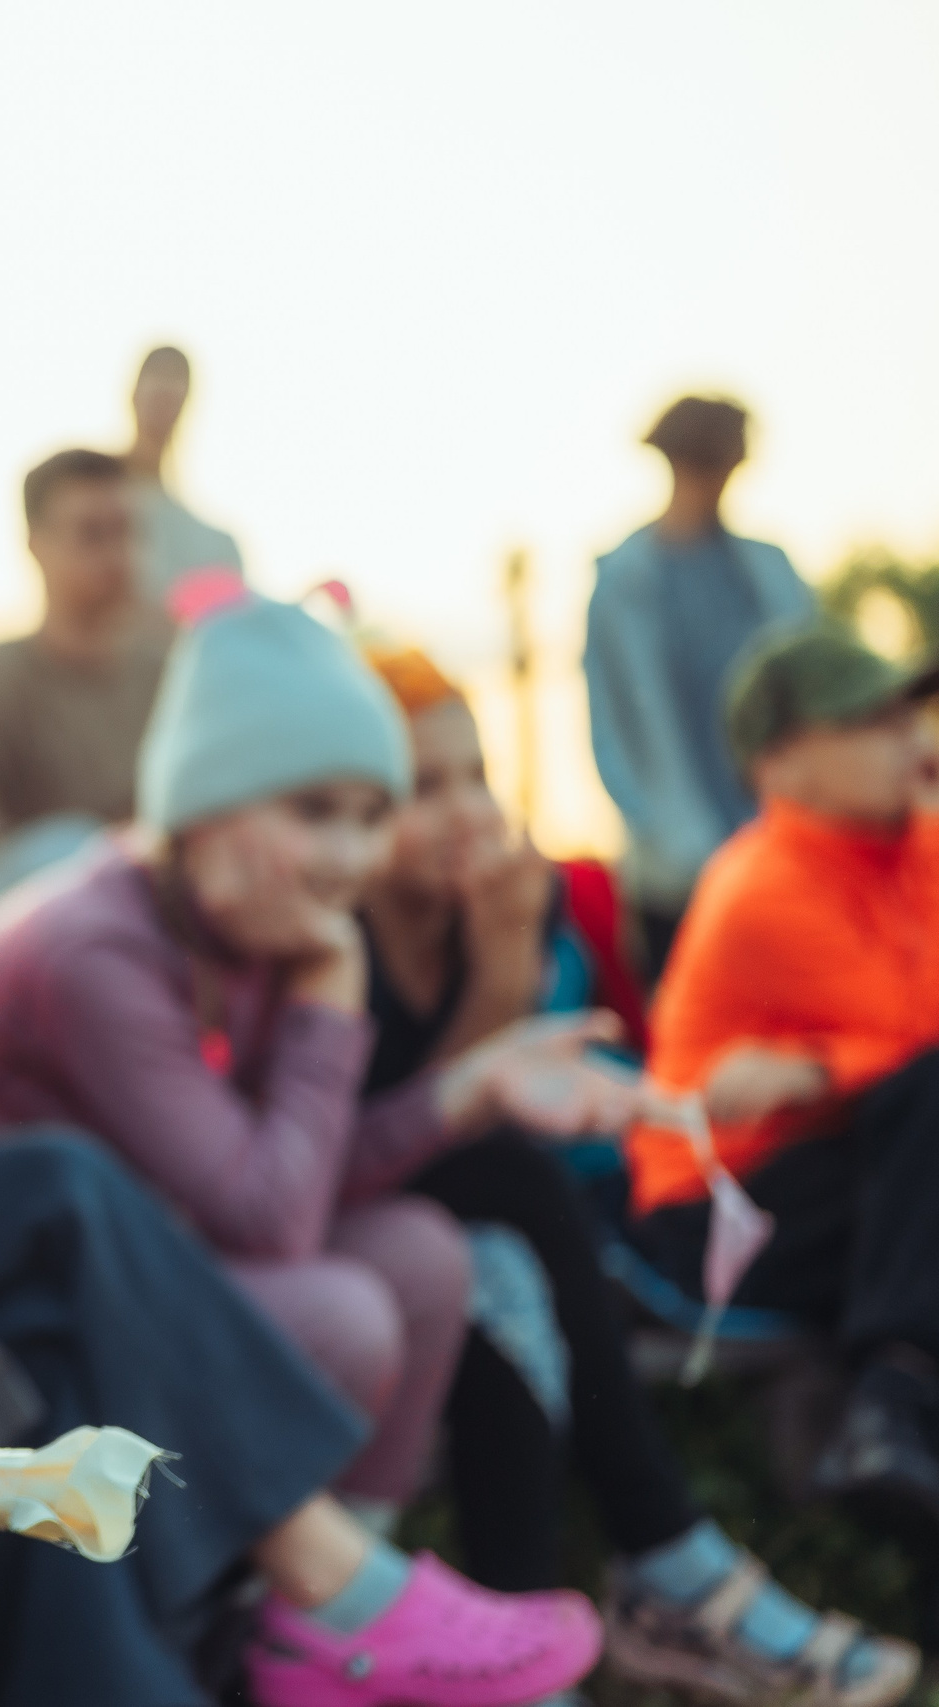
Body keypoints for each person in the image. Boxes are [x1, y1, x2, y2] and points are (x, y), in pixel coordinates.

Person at [0, 568, 602, 1707]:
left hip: (0, 1267)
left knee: (87, 1375)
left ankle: (289, 1635)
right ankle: (324, 1584)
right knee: (78, 1189)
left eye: (365, 813)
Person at [358, 642, 918, 1706]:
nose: (463, 809)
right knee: (506, 1199)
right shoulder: (347, 941)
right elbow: (432, 1127)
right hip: (405, 1222)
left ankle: (534, 1648)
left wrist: (506, 951)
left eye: (472, 776)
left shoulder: (907, 855)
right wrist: (507, 959)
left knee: (503, 1248)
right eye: (417, 788)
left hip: (478, 1220)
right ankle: (660, 1566)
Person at [625, 625, 939, 1528]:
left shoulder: (908, 848)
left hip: (858, 1180)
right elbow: (917, 1040)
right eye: (873, 722)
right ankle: (893, 1398)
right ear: (782, 761)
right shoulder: (762, 884)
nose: (913, 740)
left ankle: (894, 1396)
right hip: (721, 1210)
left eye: (912, 712)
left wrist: (814, 1070)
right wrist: (831, 1072)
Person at [584, 395, 814, 972]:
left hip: (780, 854)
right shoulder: (624, 582)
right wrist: (667, 839)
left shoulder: (769, 570)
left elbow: (810, 701)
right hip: (675, 876)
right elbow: (611, 728)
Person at [0, 448, 174, 883]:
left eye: (128, 532)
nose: (119, 557)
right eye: (92, 535)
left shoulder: (174, 681)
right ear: (36, 545)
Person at [122, 345, 244, 599]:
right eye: (156, 375)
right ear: (133, 394)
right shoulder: (87, 501)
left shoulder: (217, 546)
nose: (165, 389)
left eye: (176, 380)